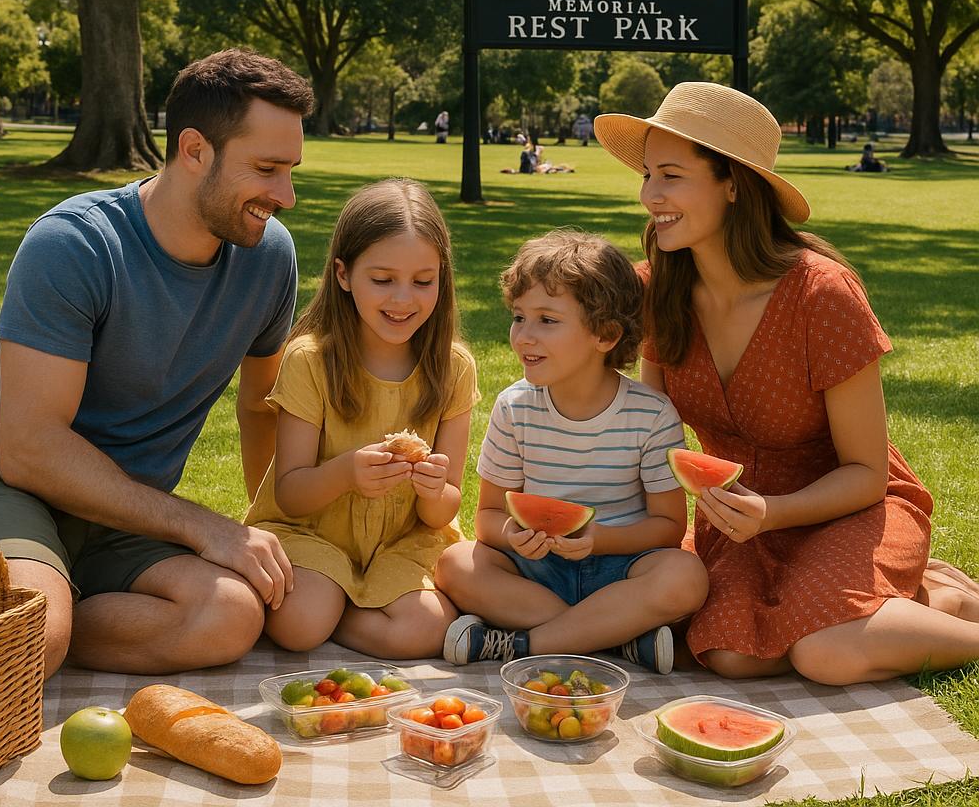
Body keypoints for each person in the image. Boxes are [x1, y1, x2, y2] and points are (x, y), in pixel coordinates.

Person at [593, 81, 979, 684]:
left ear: (733, 185)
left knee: (825, 652)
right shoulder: (656, 290)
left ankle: (945, 611)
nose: (649, 195)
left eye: (671, 176)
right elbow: (649, 431)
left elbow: (867, 473)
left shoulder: (821, 294)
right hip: (739, 519)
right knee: (732, 656)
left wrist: (773, 511)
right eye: (647, 175)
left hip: (850, 507)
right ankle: (924, 597)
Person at [0, 48, 314, 678]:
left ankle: (49, 613)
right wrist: (202, 526)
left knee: (231, 614)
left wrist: (271, 527)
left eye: (291, 171)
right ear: (194, 149)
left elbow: (261, 406)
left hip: (125, 509)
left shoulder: (268, 258)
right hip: (5, 480)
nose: (284, 195)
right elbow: (29, 449)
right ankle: (37, 620)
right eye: (265, 169)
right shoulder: (75, 246)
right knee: (30, 639)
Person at [436, 230, 708, 671]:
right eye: (519, 317)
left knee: (685, 577)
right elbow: (487, 516)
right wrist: (511, 535)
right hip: (536, 571)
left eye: (547, 320)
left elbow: (669, 527)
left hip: (620, 569)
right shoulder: (514, 406)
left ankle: (521, 644)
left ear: (606, 335)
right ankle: (613, 637)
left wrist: (599, 539)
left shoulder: (652, 414)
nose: (524, 336)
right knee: (454, 564)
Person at [244, 179, 479, 659]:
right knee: (301, 624)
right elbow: (290, 493)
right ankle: (335, 607)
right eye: (383, 279)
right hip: (314, 533)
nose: (403, 299)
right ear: (344, 274)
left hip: (402, 541)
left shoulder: (453, 367)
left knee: (422, 630)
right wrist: (347, 472)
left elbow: (443, 509)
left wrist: (434, 489)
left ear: (443, 278)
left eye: (423, 281)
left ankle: (344, 610)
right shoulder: (309, 360)